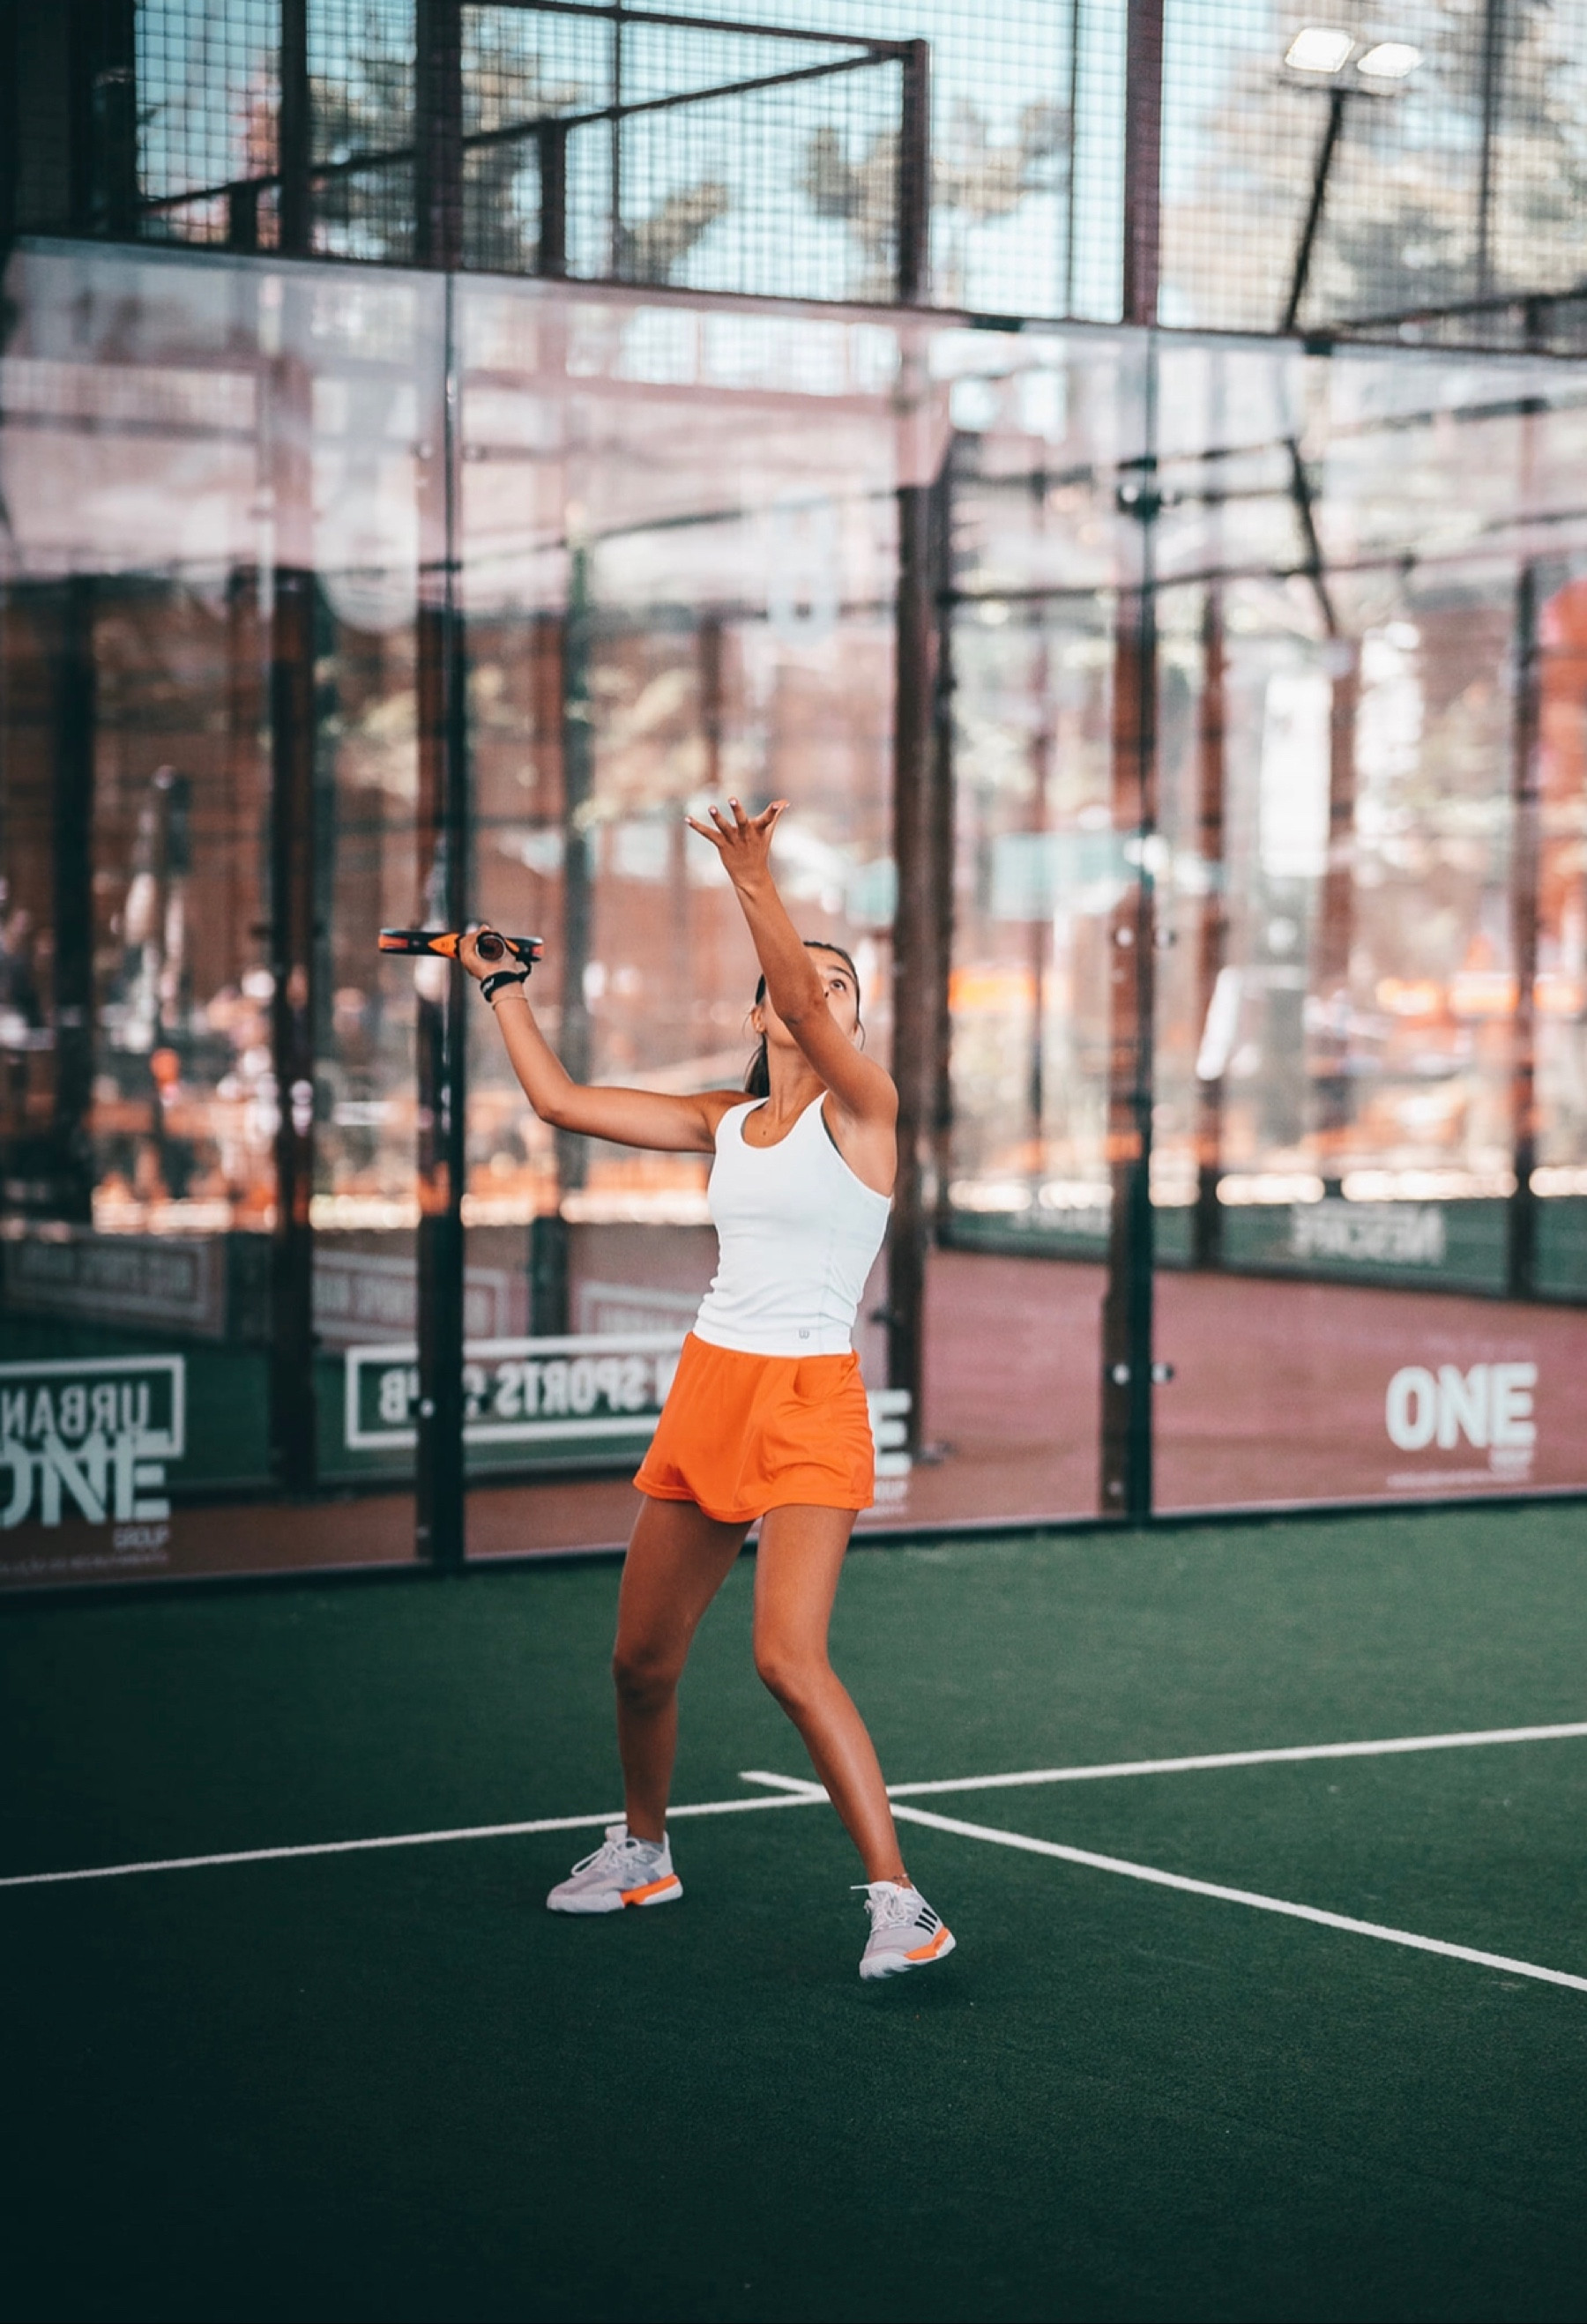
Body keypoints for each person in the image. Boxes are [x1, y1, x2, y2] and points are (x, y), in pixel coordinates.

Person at [460, 798, 953, 1981]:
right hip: (709, 1392)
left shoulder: (870, 1114)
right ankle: (645, 1851)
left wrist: (752, 876)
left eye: (840, 987)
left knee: (787, 1657)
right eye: (801, 982)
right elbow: (561, 1104)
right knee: (640, 1663)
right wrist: (501, 986)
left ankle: (903, 1904)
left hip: (810, 1405)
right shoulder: (722, 1123)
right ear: (755, 1015)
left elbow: (802, 1002)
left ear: (852, 1020)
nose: (816, 994)